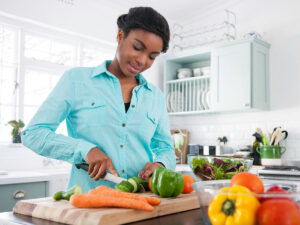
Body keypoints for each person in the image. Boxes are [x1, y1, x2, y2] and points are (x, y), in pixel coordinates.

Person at [21, 6, 176, 193]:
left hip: (142, 201)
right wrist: (85, 150)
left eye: (152, 57)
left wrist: (161, 164)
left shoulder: (156, 97)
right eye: (137, 48)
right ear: (120, 36)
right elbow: (33, 134)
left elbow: (165, 147)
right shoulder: (76, 81)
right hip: (89, 204)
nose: (142, 61)